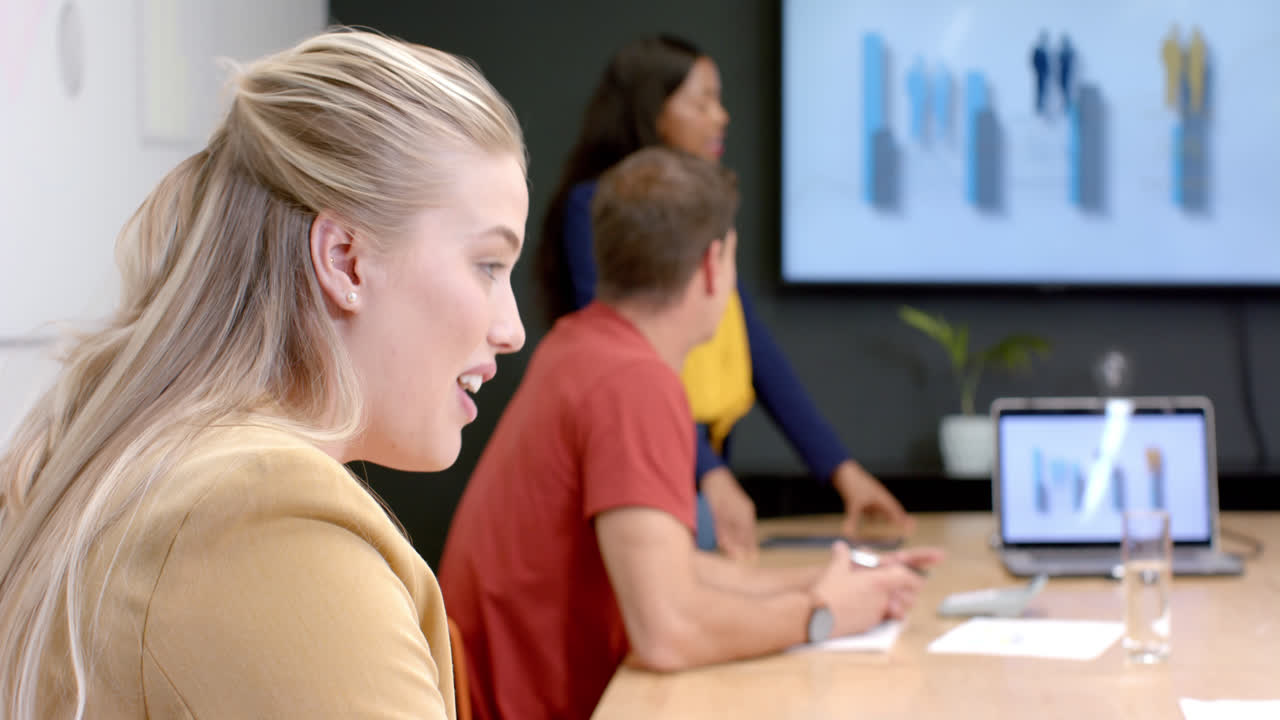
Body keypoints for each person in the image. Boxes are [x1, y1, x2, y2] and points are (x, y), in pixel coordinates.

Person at [0, 29, 527, 719]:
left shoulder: (162, 466)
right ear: (344, 260)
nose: (511, 328)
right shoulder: (262, 526)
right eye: (487, 265)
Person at [441, 147, 942, 720]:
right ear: (713, 265)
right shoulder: (633, 382)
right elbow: (667, 631)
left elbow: (666, 565)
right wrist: (822, 612)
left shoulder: (579, 346)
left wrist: (839, 580)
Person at [536, 34, 911, 561]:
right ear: (653, 108)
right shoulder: (596, 211)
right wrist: (710, 477)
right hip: (643, 458)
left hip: (692, 463)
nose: (721, 116)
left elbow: (755, 348)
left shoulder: (694, 214)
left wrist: (842, 472)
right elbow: (622, 356)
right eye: (703, 100)